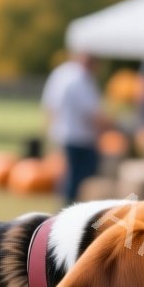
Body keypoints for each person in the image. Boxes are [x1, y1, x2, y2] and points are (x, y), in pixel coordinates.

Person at [41, 51, 104, 205]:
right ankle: (69, 208)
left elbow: (49, 105)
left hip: (63, 133)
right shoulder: (80, 79)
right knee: (78, 178)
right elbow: (90, 112)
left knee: (68, 176)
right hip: (80, 136)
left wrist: (49, 129)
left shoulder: (61, 73)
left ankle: (65, 207)